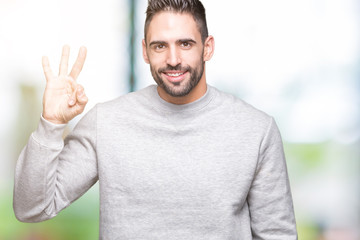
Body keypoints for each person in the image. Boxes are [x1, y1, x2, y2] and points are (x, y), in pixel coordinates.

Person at [13, 0, 298, 239]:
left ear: (208, 47)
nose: (173, 59)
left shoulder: (256, 129)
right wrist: (51, 123)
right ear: (145, 51)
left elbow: (277, 234)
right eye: (160, 46)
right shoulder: (107, 122)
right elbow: (31, 207)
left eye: (185, 43)